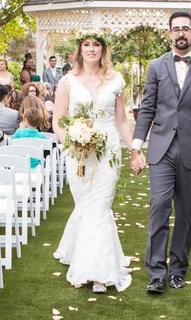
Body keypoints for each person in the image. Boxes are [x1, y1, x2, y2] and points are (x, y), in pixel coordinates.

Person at [131, 11, 191, 295]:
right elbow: (147, 108)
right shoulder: (156, 66)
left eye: (185, 28)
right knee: (159, 206)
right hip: (160, 149)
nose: (180, 33)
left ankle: (178, 269)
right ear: (169, 33)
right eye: (176, 29)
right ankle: (156, 272)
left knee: (185, 211)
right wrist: (136, 146)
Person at [54, 32, 137, 293]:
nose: (91, 49)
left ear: (103, 49)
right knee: (85, 204)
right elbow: (58, 120)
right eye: (86, 45)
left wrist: (134, 149)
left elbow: (122, 120)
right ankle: (78, 251)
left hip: (108, 150)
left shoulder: (117, 80)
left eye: (96, 45)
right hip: (77, 153)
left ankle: (99, 273)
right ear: (79, 50)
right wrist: (72, 141)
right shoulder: (67, 82)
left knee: (100, 206)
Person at [12, 101, 49, 169]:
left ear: (25, 120)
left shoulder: (19, 132)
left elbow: (12, 143)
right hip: (37, 167)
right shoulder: (41, 136)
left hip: (21, 165)